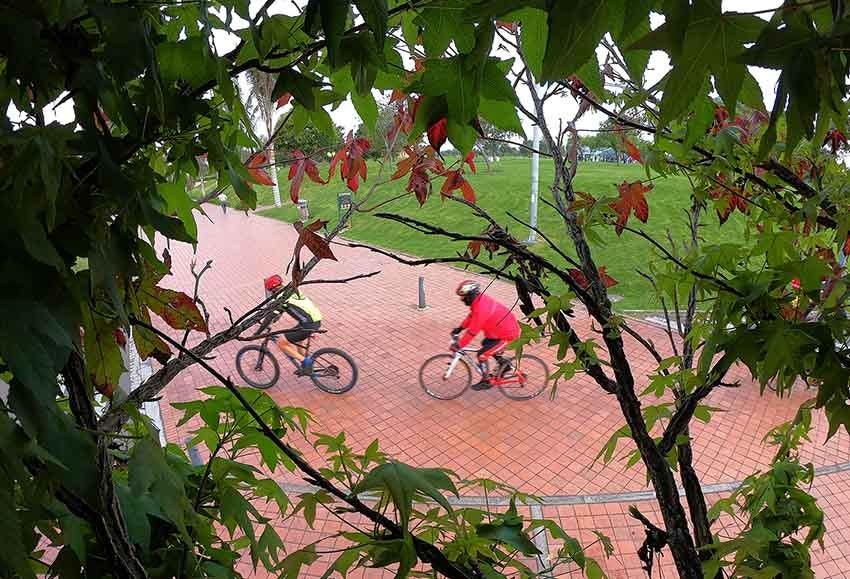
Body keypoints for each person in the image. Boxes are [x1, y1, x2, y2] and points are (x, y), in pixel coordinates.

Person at [452, 280, 521, 391]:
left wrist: (459, 345)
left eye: (463, 297)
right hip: (497, 333)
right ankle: (505, 365)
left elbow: (473, 331)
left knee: (482, 355)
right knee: (486, 344)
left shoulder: (481, 308)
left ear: (470, 296)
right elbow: (471, 316)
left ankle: (486, 381)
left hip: (507, 336)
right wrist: (460, 328)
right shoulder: (478, 301)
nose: (462, 299)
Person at [264, 275, 322, 374]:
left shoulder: (281, 298)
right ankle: (307, 366)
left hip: (308, 323)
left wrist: (260, 329)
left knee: (281, 342)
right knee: (299, 341)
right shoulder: (292, 289)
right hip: (316, 319)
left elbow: (275, 313)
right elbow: (283, 310)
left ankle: (305, 361)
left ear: (271, 289)